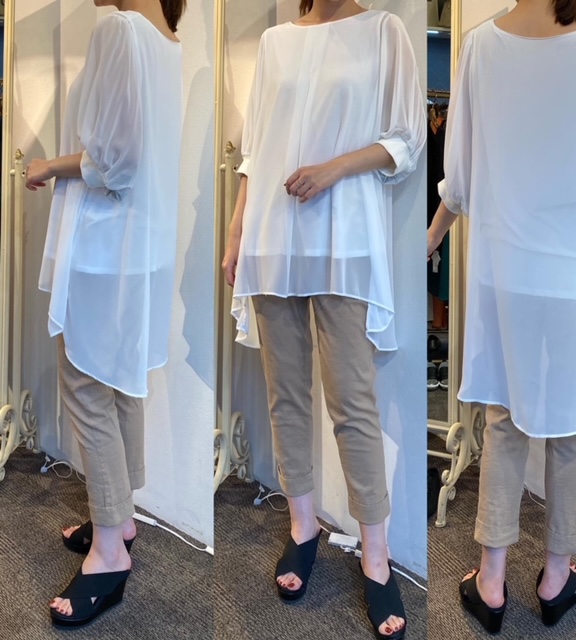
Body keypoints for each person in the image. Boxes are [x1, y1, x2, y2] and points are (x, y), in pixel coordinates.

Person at [428, 0, 576, 633]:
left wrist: (430, 237)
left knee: (504, 416)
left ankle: (491, 578)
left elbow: (459, 177)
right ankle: (555, 575)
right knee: (573, 424)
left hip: (505, 273)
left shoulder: (478, 45)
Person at [222, 0, 425, 637]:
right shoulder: (276, 42)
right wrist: (236, 231)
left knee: (352, 401)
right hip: (273, 236)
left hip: (344, 240)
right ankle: (302, 526)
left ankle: (376, 555)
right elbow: (256, 152)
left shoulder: (384, 32)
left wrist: (334, 168)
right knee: (285, 394)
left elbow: (406, 140)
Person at [25, 0, 184, 629]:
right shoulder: (166, 42)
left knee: (87, 386)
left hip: (104, 245)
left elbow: (115, 162)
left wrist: (50, 166)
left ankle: (111, 552)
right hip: (140, 246)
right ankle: (119, 517)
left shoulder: (119, 29)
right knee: (119, 381)